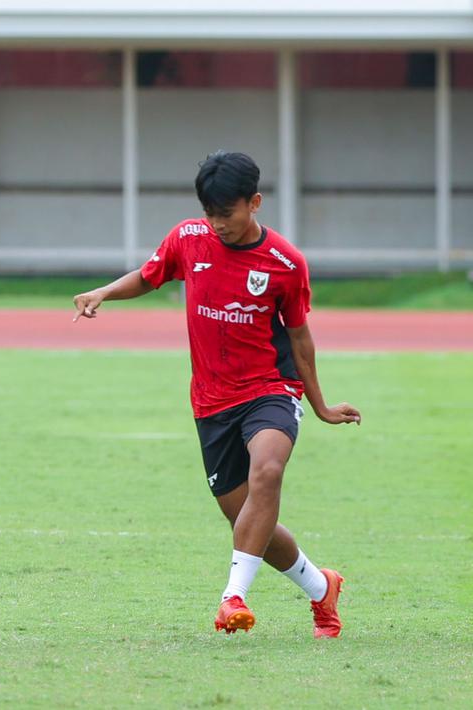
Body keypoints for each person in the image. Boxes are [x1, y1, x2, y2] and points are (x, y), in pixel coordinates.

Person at [72, 151, 362, 637]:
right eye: (210, 213)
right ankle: (321, 587)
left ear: (254, 203)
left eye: (226, 214)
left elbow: (300, 338)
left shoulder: (286, 263)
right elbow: (149, 275)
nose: (217, 224)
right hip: (211, 404)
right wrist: (103, 291)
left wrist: (321, 406)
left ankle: (233, 597)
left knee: (267, 471)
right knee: (253, 526)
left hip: (271, 390)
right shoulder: (189, 238)